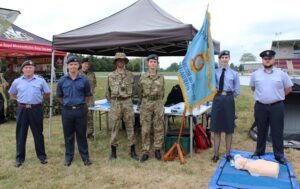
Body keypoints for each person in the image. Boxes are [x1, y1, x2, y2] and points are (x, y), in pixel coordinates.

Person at [250, 50, 293, 164]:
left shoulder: (281, 74)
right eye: (265, 59)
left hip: (276, 107)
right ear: (262, 60)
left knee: (277, 131)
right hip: (260, 106)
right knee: (261, 130)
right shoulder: (255, 74)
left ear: (273, 60)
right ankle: (259, 151)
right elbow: (253, 88)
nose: (267, 60)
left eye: (269, 58)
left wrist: (277, 96)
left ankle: (279, 155)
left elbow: (289, 88)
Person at [8, 60, 50, 167]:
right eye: (26, 67)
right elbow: (12, 93)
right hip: (22, 110)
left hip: (36, 109)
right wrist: (18, 100)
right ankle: (19, 158)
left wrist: (39, 99)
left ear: (34, 69)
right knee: (21, 134)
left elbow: (47, 93)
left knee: (38, 133)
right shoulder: (17, 81)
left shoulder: (40, 81)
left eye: (30, 67)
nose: (28, 69)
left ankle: (42, 156)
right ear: (22, 69)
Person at [56, 56, 92, 166]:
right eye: (71, 64)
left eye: (75, 65)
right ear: (67, 66)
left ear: (78, 66)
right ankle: (68, 157)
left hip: (80, 111)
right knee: (68, 135)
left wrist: (80, 104)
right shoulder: (62, 80)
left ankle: (85, 157)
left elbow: (87, 96)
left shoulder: (84, 80)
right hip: (67, 112)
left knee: (81, 135)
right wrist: (67, 104)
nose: (73, 67)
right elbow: (59, 96)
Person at [105, 52, 138, 161]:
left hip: (127, 102)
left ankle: (132, 151)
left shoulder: (130, 75)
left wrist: (127, 98)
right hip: (115, 103)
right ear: (115, 62)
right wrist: (114, 101)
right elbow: (107, 93)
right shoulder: (110, 76)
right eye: (118, 60)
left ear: (125, 62)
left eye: (122, 60)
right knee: (115, 127)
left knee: (130, 126)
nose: (121, 61)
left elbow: (134, 91)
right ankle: (113, 152)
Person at [210, 50, 240, 163]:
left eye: (226, 57)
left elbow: (237, 90)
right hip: (217, 99)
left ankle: (228, 154)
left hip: (228, 99)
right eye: (222, 58)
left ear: (229, 59)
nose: (224, 59)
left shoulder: (234, 73)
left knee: (229, 128)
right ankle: (216, 154)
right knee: (216, 128)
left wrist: (228, 96)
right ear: (220, 59)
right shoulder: (215, 72)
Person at [138, 54, 165, 162]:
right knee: (145, 128)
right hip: (146, 103)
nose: (153, 64)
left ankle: (157, 149)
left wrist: (157, 100)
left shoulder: (161, 77)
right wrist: (145, 100)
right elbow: (139, 92)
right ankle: (145, 151)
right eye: (151, 62)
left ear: (157, 64)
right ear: (147, 63)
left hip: (158, 103)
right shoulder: (143, 77)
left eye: (155, 62)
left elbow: (163, 92)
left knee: (158, 127)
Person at [79, 57, 97, 139]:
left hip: (90, 99)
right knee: (81, 116)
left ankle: (90, 133)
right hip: (80, 99)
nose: (87, 65)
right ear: (81, 64)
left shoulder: (92, 74)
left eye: (88, 64)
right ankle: (82, 133)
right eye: (85, 63)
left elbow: (94, 84)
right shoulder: (78, 74)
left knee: (90, 116)